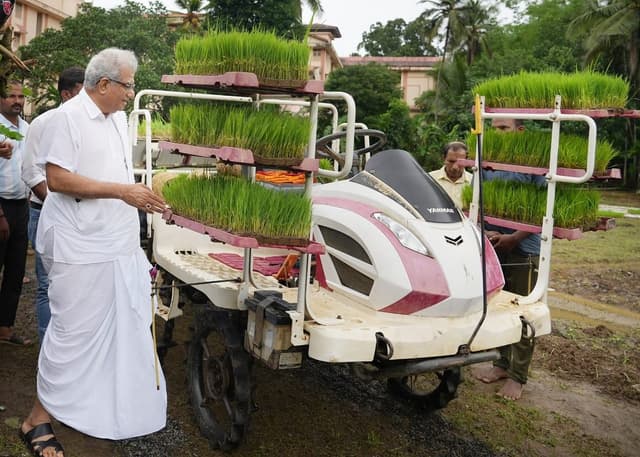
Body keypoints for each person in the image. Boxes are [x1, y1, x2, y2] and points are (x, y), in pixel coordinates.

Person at [20, 48, 167, 457]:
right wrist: (123, 192)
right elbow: (58, 179)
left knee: (118, 328)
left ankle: (91, 411)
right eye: (127, 85)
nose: (130, 93)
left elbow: (119, 174)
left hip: (115, 242)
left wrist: (148, 198)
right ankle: (37, 419)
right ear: (103, 84)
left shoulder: (118, 119)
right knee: (72, 335)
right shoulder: (66, 118)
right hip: (78, 244)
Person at [473, 117, 545, 400]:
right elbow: (480, 199)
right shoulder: (490, 159)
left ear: (520, 131)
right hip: (494, 245)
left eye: (504, 128)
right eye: (494, 128)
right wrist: (486, 228)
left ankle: (518, 376)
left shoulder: (533, 160)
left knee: (523, 309)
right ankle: (501, 365)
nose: (497, 133)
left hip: (524, 249)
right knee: (498, 307)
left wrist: (515, 237)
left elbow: (543, 208)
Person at [21, 67, 85, 343]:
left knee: (78, 282)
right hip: (46, 213)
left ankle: (72, 345)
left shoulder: (89, 126)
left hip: (82, 215)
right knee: (48, 283)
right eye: (82, 95)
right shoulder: (44, 123)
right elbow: (31, 171)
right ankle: (49, 346)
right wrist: (59, 201)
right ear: (66, 94)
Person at [0, 80, 31, 346]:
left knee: (15, 269)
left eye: (20, 95)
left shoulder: (28, 130)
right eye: (11, 95)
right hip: (0, 206)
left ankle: (5, 329)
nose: (17, 100)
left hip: (22, 206)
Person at [429, 141, 472, 208]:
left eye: (460, 162)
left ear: (467, 161)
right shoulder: (430, 179)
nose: (455, 167)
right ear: (443, 158)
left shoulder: (473, 182)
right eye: (451, 161)